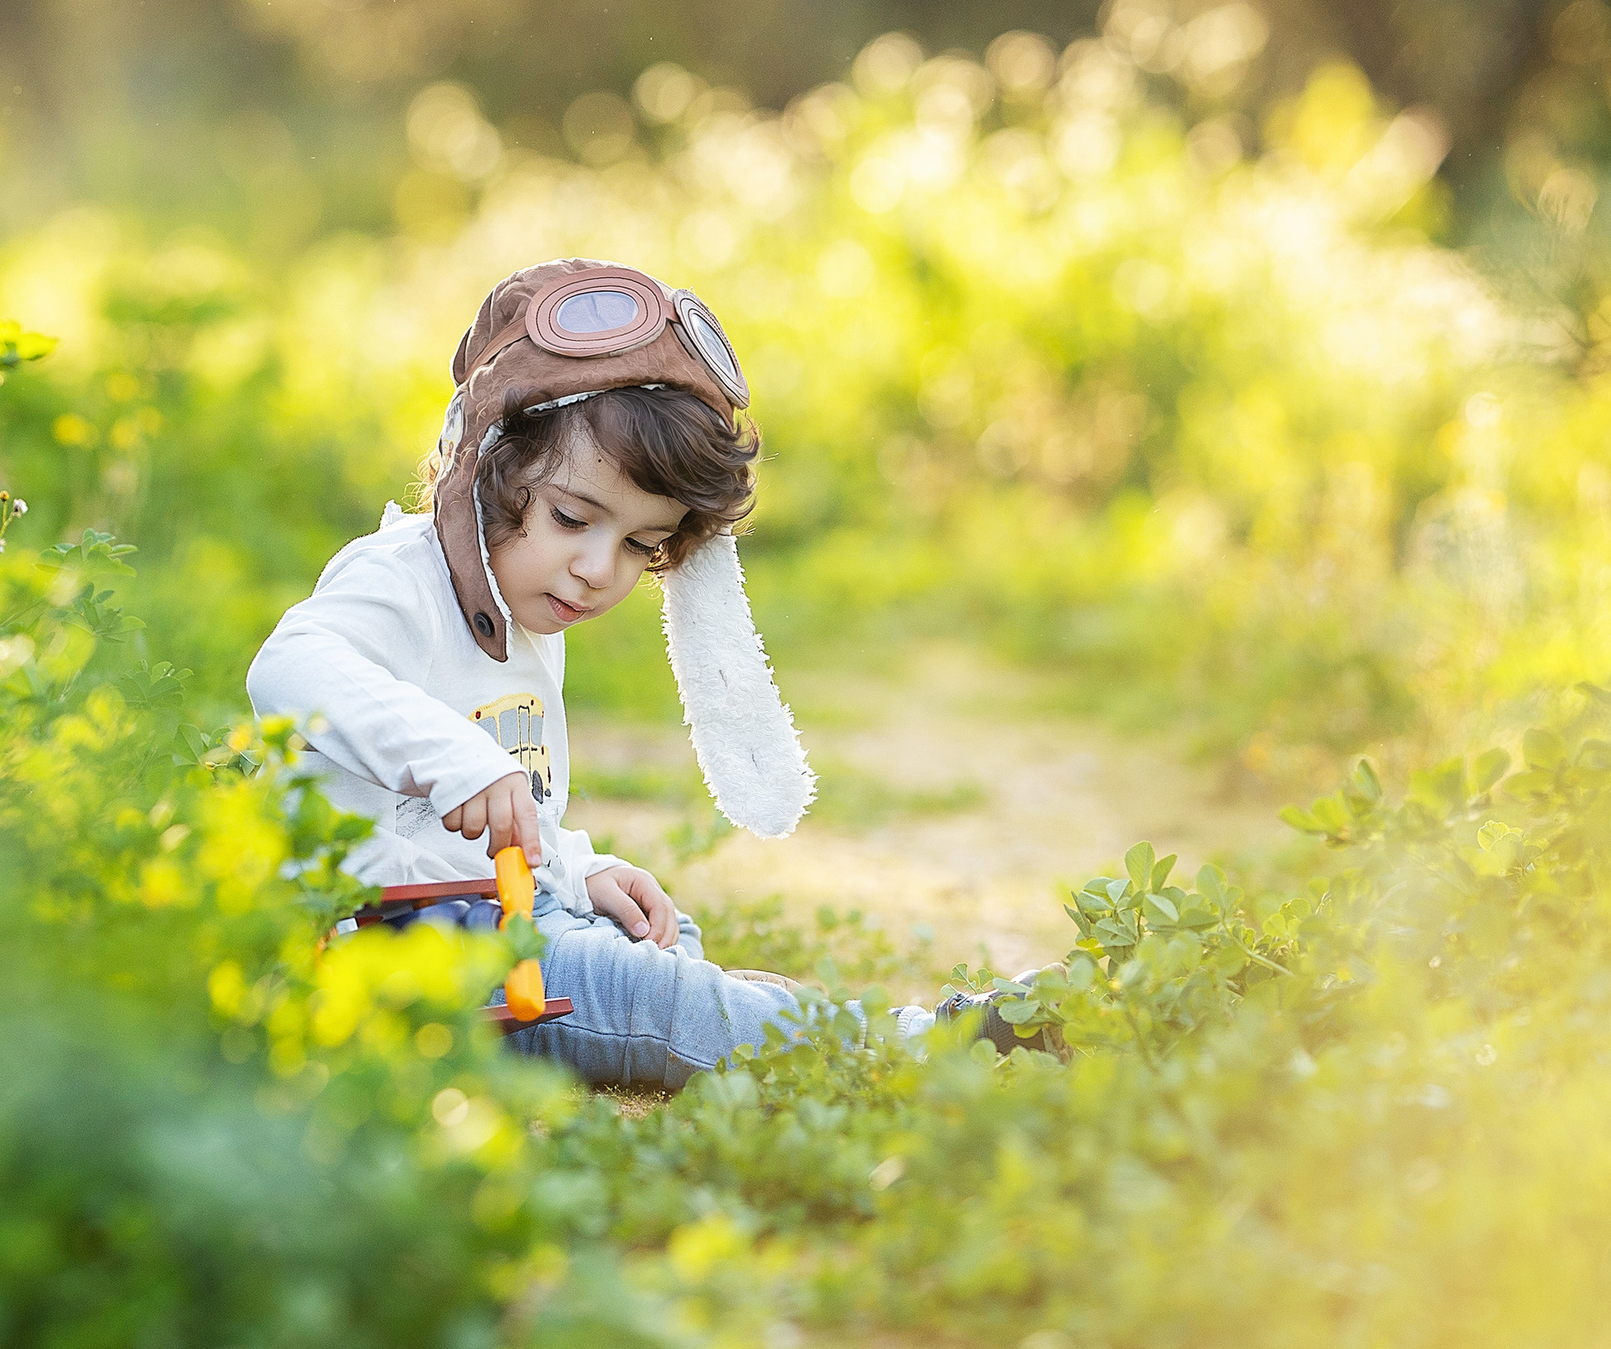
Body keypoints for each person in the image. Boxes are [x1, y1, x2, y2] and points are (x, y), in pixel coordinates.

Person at [248, 259, 1041, 1087]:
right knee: (643, 992)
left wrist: (576, 866)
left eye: (638, 543)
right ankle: (910, 1045)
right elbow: (290, 664)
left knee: (657, 934)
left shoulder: (527, 610)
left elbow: (514, 807)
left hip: (507, 915)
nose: (598, 569)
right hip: (405, 946)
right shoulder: (402, 577)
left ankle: (747, 1016)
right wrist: (455, 760)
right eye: (571, 517)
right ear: (486, 466)